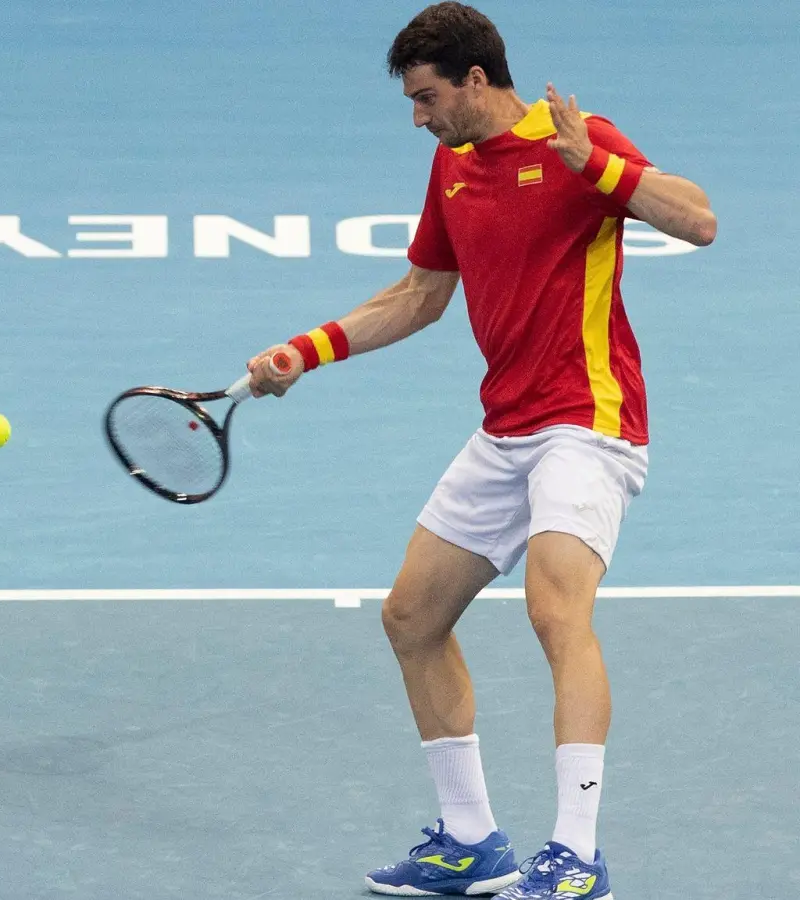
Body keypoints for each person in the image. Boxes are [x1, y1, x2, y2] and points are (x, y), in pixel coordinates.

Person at [245, 4, 715, 898]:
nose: (417, 117)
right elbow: (421, 294)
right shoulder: (452, 166)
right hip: (506, 430)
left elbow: (699, 222)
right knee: (411, 619)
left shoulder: (575, 140)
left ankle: (576, 854)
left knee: (554, 612)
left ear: (474, 80)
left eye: (427, 98)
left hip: (589, 423)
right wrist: (303, 352)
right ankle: (472, 840)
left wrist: (597, 164)